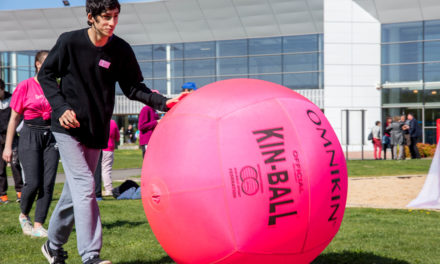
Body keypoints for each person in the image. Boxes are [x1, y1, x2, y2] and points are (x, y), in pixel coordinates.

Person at [37, 1, 184, 263]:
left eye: (116, 17)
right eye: (106, 17)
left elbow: (133, 88)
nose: (112, 23)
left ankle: (53, 245)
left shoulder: (121, 49)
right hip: (67, 129)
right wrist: (60, 107)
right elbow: (46, 75)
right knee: (85, 187)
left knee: (75, 193)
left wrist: (164, 103)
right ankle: (91, 256)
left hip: (96, 130)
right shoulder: (69, 42)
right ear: (90, 17)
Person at [2, 50, 59, 238]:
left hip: (51, 136)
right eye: (46, 63)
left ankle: (38, 224)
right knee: (33, 182)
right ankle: (24, 215)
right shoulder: (25, 86)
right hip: (29, 134)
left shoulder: (55, 87)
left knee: (48, 183)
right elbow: (13, 119)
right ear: (37, 64)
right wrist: (8, 147)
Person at [0, 78, 23, 204]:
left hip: (12, 137)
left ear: (2, 89)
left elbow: (18, 117)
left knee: (15, 165)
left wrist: (15, 131)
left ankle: (20, 192)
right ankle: (3, 195)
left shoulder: (12, 98)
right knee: (0, 168)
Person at [101, 119, 119, 196]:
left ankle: (96, 188)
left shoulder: (99, 120)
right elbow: (117, 137)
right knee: (106, 169)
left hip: (98, 148)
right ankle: (108, 189)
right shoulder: (112, 122)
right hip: (109, 148)